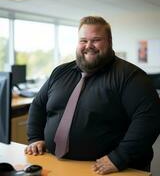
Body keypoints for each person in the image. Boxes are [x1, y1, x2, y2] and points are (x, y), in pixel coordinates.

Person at [24, 16, 160, 175]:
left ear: (109, 41)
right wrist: (35, 137)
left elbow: (149, 119)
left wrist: (120, 157)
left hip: (108, 168)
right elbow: (38, 105)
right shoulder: (60, 72)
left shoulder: (130, 76)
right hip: (56, 162)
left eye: (96, 40)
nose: (89, 46)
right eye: (83, 40)